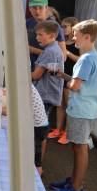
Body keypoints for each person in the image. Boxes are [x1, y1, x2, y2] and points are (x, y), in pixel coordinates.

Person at [50, 20, 97, 191]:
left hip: (82, 110)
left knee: (80, 148)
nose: (72, 37)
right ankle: (74, 181)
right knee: (78, 147)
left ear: (87, 37)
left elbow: (75, 86)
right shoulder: (92, 56)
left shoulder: (86, 59)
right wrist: (64, 76)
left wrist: (66, 80)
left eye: (75, 35)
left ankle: (76, 188)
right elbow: (80, 83)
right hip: (85, 110)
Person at [30, 20, 64, 170]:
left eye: (40, 35)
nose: (37, 38)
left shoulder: (50, 51)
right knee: (41, 130)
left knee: (39, 131)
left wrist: (18, 74)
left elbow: (36, 75)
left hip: (44, 96)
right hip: (47, 95)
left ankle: (37, 166)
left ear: (51, 35)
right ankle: (38, 165)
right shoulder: (54, 49)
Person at [49, 16, 80, 144]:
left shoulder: (78, 42)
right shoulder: (61, 42)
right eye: (61, 26)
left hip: (71, 77)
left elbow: (81, 60)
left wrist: (68, 53)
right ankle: (58, 129)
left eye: (65, 26)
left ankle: (67, 133)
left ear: (73, 27)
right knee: (59, 104)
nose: (62, 29)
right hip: (60, 75)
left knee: (69, 105)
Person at [26, 0, 66, 71]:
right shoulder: (28, 23)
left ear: (46, 8)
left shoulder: (54, 26)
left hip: (46, 74)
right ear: (29, 8)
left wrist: (48, 73)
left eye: (40, 8)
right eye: (34, 8)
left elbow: (62, 56)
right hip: (29, 69)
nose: (37, 11)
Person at [31, 84, 49, 176]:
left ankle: (38, 176)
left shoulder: (24, 87)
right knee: (37, 154)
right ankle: (38, 172)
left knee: (36, 156)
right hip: (41, 124)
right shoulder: (27, 86)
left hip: (38, 126)